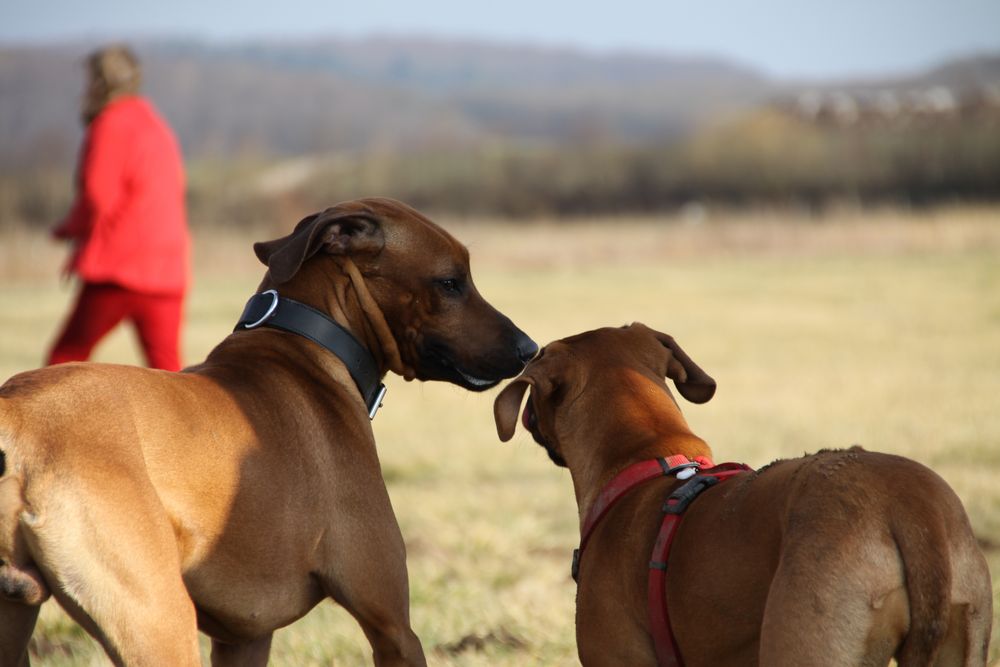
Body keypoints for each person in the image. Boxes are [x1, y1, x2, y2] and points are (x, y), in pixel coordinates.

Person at [48, 45, 190, 371]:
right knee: (169, 377)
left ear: (98, 83)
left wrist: (70, 227)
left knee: (61, 362)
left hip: (119, 269)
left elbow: (98, 197)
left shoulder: (109, 125)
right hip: (168, 269)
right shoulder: (156, 125)